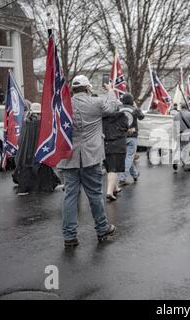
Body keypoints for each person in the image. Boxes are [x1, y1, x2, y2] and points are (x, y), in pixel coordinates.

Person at [57, 75, 120, 247]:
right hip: (91, 157)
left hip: (69, 157)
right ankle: (102, 229)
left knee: (70, 196)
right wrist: (111, 91)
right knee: (94, 195)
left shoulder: (64, 106)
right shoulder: (96, 102)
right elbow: (113, 107)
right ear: (87, 88)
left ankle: (69, 236)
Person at [12, 103, 61, 195]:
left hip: (26, 151)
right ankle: (44, 185)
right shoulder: (38, 123)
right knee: (39, 166)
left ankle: (26, 187)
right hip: (36, 149)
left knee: (27, 167)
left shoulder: (26, 122)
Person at [103, 106, 129, 201]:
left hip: (106, 145)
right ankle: (109, 192)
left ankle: (115, 188)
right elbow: (126, 128)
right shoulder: (123, 117)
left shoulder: (103, 118)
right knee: (114, 169)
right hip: (119, 145)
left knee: (110, 168)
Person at [118, 93, 145, 186]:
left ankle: (135, 174)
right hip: (132, 136)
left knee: (127, 157)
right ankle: (122, 178)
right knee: (129, 157)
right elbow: (142, 117)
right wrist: (136, 107)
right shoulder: (134, 109)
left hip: (121, 136)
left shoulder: (119, 108)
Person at [173, 103, 190, 171]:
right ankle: (188, 166)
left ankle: (176, 160)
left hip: (179, 134)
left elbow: (175, 127)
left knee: (179, 148)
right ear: (187, 107)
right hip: (188, 134)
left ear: (181, 107)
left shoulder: (176, 116)